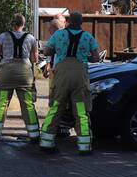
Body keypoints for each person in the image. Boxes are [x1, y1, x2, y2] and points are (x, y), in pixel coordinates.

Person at [40, 11, 100, 155]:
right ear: (81, 23)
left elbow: (47, 51)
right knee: (81, 110)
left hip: (61, 75)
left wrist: (58, 51)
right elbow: (96, 58)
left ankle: (46, 142)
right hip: (80, 75)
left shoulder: (58, 35)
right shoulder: (88, 37)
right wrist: (85, 58)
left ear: (68, 22)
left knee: (56, 107)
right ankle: (84, 146)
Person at [0, 13, 40, 143]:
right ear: (24, 24)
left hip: (7, 72)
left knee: (2, 102)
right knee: (27, 104)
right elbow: (35, 59)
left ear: (12, 24)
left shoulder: (3, 36)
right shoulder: (31, 38)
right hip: (25, 73)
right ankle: (34, 135)